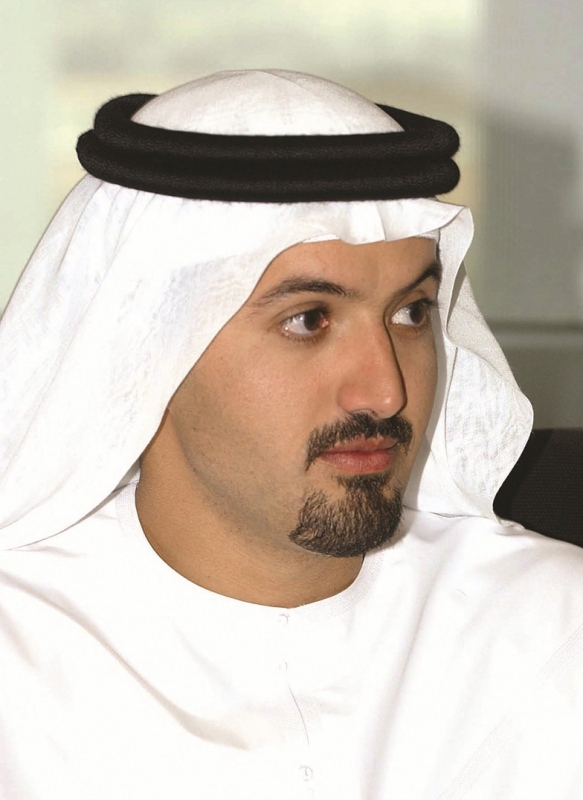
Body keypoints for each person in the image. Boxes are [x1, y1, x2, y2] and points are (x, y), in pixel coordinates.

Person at [0, 69, 582, 799]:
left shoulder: (552, 627)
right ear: (146, 347)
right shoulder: (19, 655)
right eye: (307, 320)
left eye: (410, 313)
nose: (386, 392)